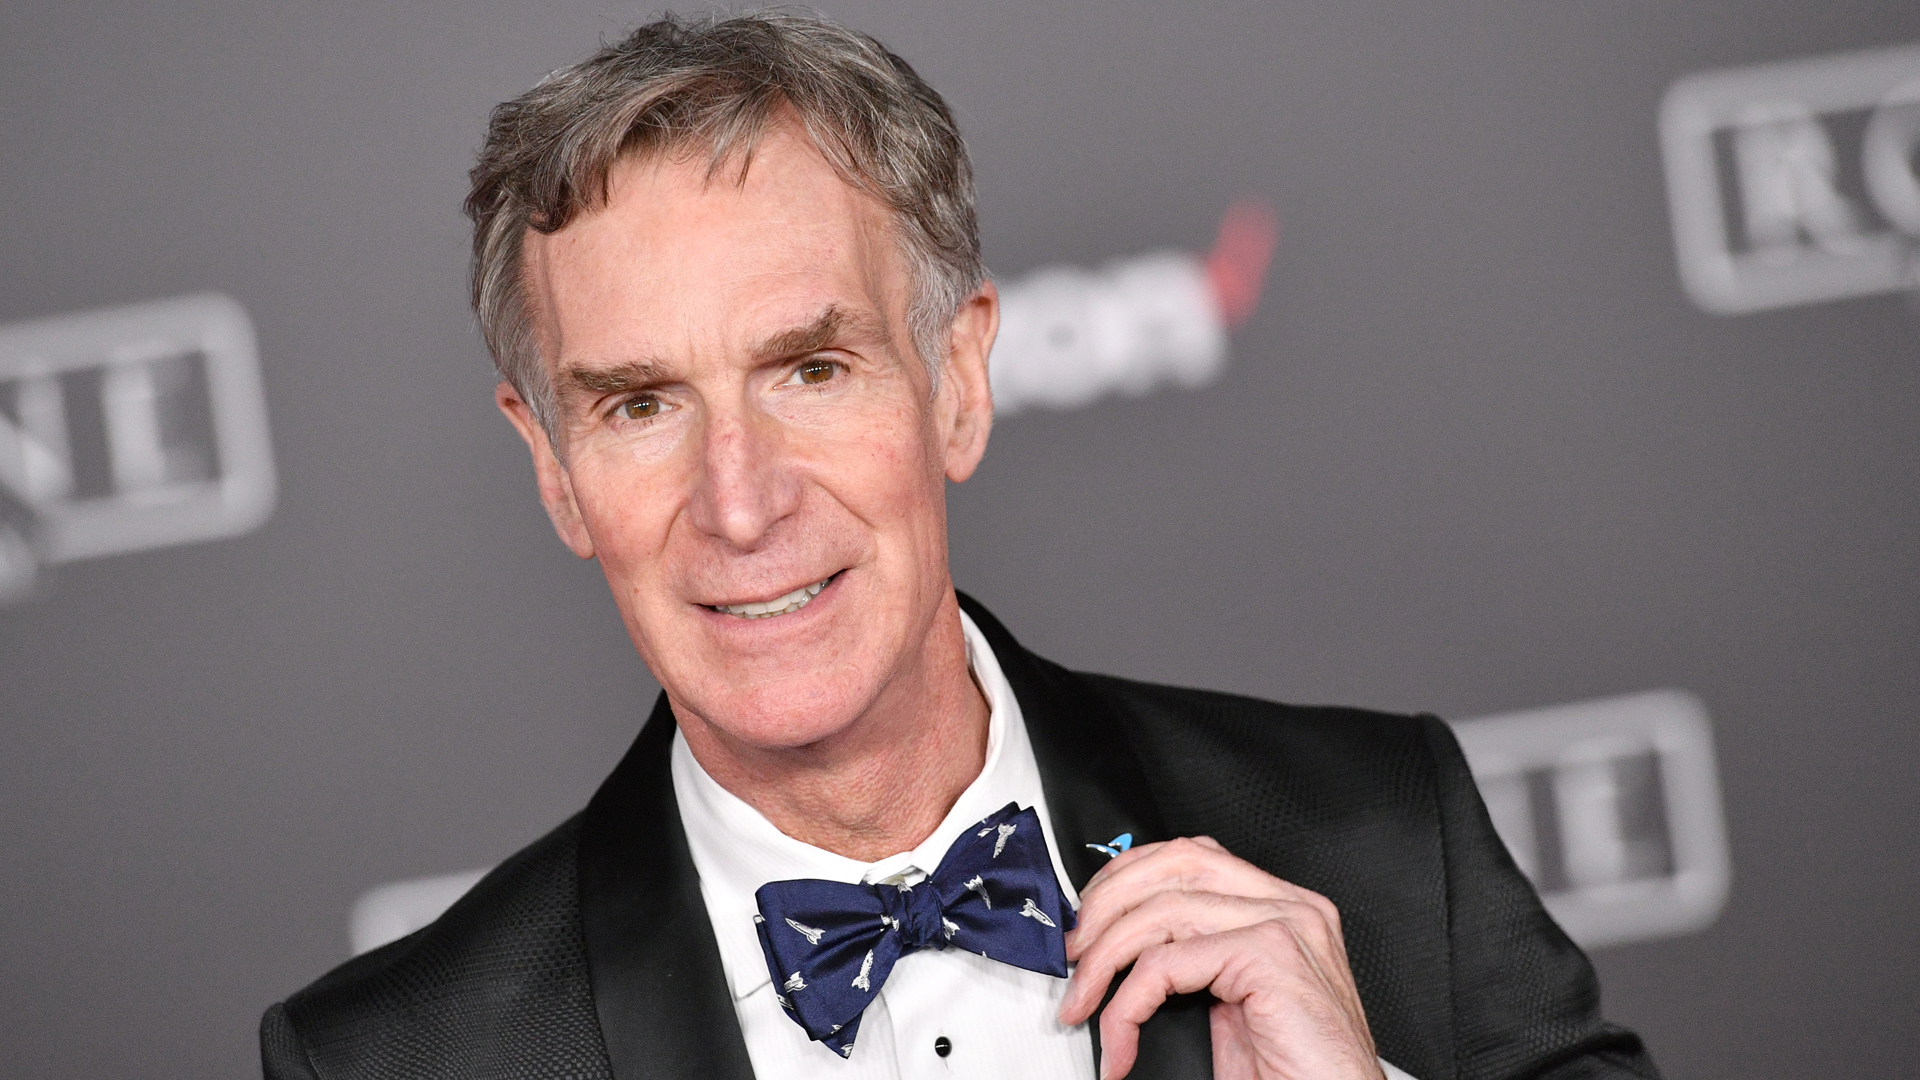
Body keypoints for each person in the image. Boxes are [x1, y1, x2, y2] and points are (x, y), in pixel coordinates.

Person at [260, 13, 1659, 1080]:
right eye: (640, 406)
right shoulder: (398, 1060)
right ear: (556, 474)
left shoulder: (1383, 843)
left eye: (810, 369)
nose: (740, 503)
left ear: (959, 383)